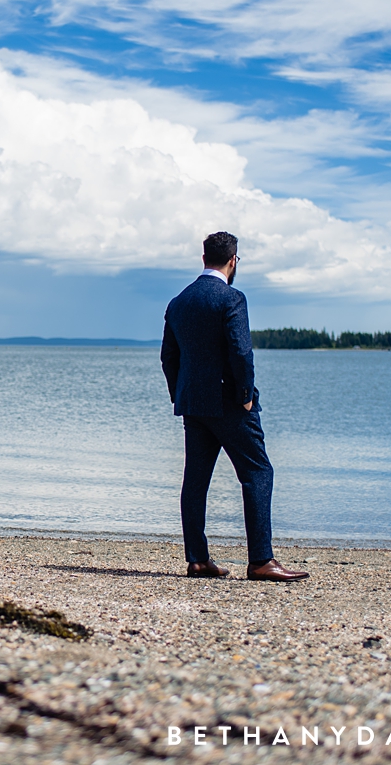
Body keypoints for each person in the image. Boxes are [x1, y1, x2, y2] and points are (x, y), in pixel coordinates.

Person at [160, 231, 308, 582]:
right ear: (233, 260)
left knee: (195, 480)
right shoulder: (231, 298)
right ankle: (260, 560)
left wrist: (179, 395)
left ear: (203, 259)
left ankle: (197, 559)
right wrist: (246, 396)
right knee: (258, 472)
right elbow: (241, 351)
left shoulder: (178, 302)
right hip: (229, 403)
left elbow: (168, 358)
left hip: (193, 404)